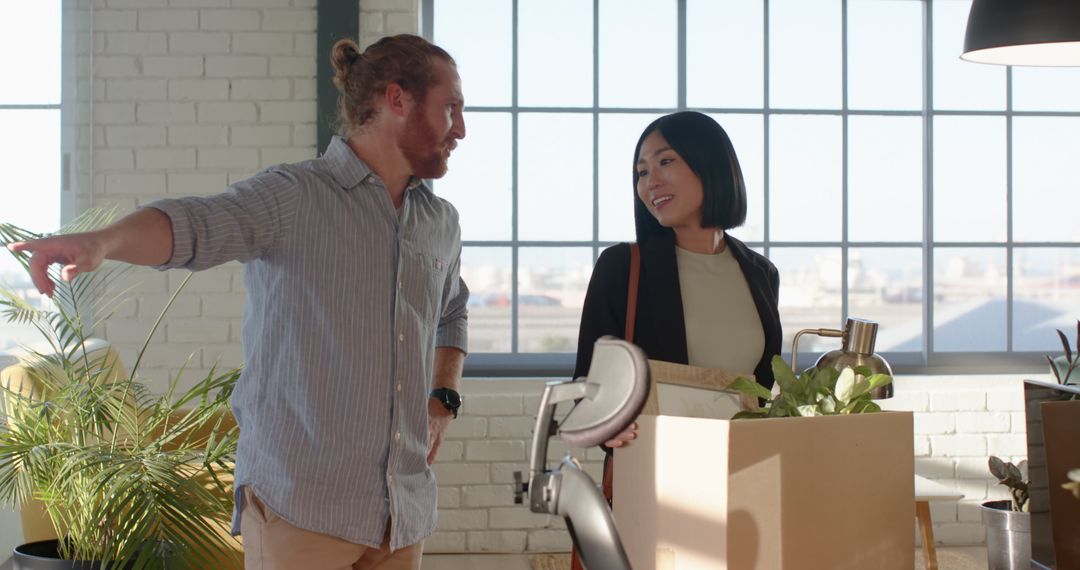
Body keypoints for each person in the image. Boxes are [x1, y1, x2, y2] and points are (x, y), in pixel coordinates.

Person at [8, 34, 468, 570]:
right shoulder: (295, 196)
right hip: (302, 510)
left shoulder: (440, 222)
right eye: (451, 109)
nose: (461, 129)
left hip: (402, 514)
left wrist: (442, 400)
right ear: (397, 100)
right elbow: (196, 224)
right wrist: (102, 242)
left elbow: (452, 312)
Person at [576, 110, 783, 456]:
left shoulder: (760, 273)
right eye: (642, 172)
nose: (650, 182)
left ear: (710, 164)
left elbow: (758, 391)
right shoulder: (622, 267)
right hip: (656, 474)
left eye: (665, 162)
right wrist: (607, 425)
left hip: (742, 470)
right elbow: (587, 388)